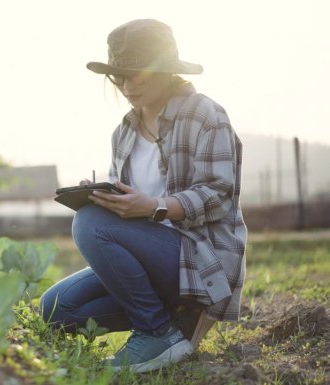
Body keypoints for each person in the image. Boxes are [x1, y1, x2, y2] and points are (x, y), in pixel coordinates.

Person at [40, 19, 247, 373]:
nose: (126, 84)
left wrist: (154, 207)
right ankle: (170, 321)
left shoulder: (205, 114)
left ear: (165, 70)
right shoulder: (124, 131)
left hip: (197, 258)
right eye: (118, 75)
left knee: (89, 223)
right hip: (150, 258)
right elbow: (124, 207)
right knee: (55, 308)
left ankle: (156, 331)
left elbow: (218, 193)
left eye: (136, 73)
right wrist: (102, 196)